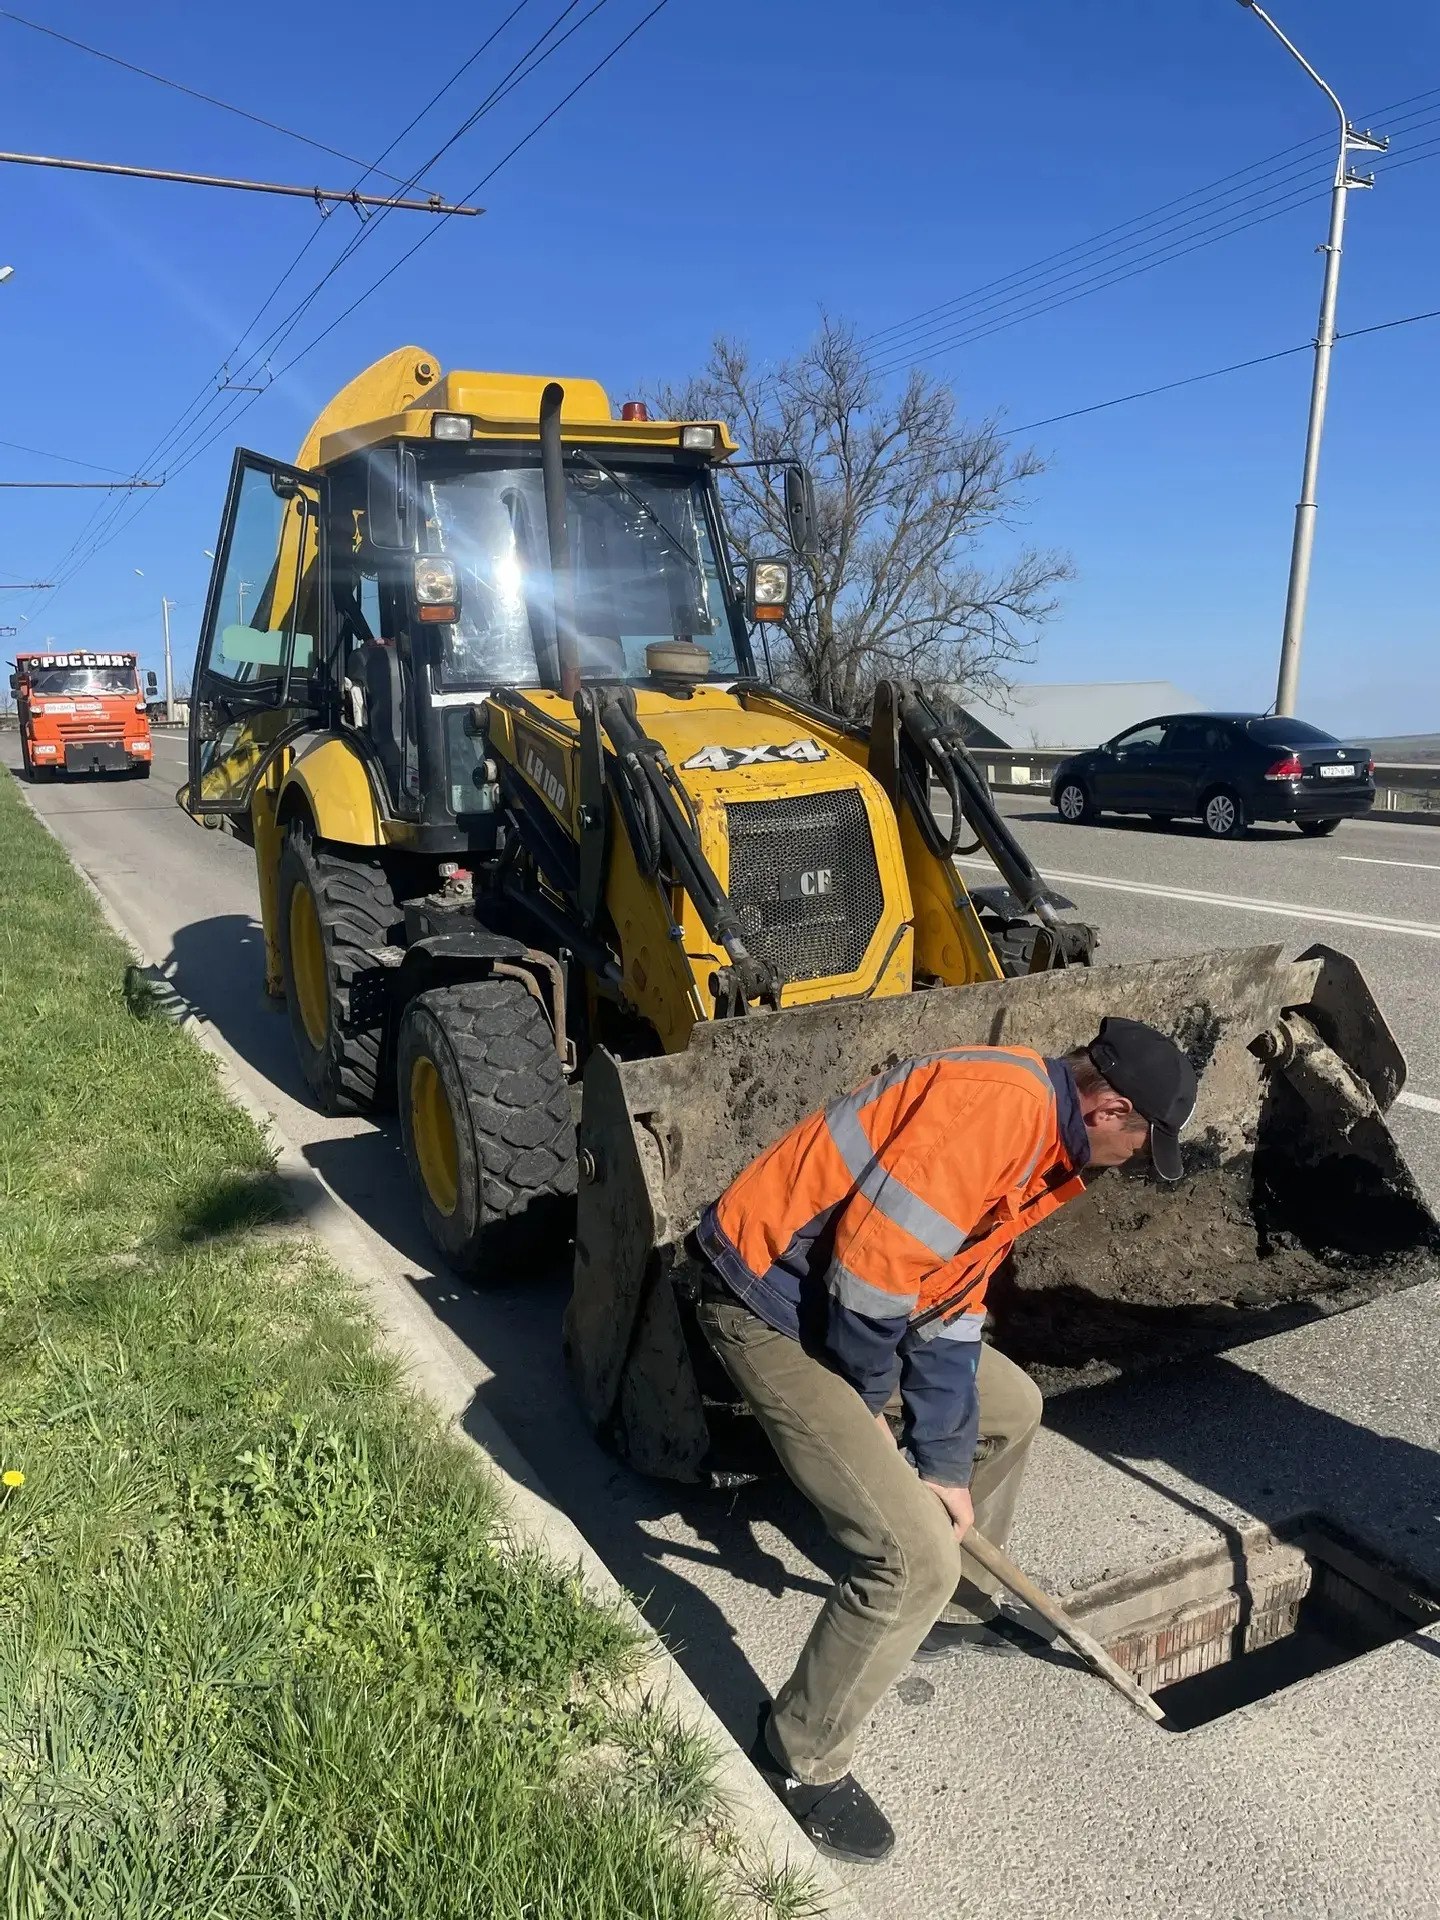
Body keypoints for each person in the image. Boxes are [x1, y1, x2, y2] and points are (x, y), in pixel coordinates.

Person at [693, 1017, 1198, 1864]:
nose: (1139, 1165)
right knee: (907, 1556)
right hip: (767, 1302)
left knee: (1013, 1408)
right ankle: (796, 1759)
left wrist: (945, 1459)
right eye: (1144, 1144)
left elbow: (950, 1297)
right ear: (1111, 1107)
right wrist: (884, 1422)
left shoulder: (1042, 1135)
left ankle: (956, 1601)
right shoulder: (995, 1112)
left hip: (850, 1300)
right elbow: (867, 1280)